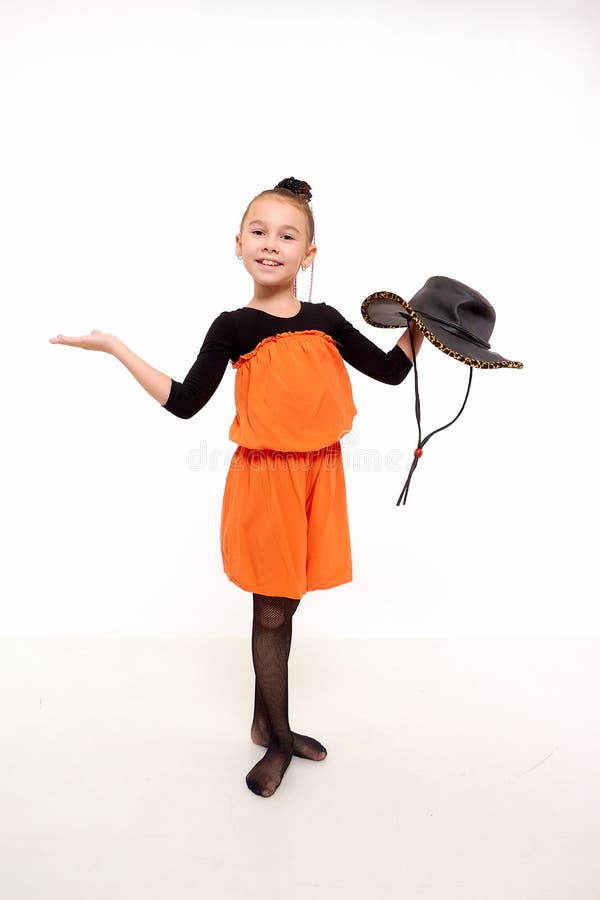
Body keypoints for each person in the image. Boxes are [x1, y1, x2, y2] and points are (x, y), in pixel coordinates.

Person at [49, 177, 424, 798]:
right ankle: (278, 740)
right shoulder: (233, 327)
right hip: (267, 480)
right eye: (258, 232)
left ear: (310, 253)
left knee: (286, 605)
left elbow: (388, 372)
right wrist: (116, 347)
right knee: (273, 611)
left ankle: (262, 721)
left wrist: (425, 327)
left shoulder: (326, 319)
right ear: (237, 244)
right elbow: (186, 403)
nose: (270, 244)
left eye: (287, 235)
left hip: (318, 475)